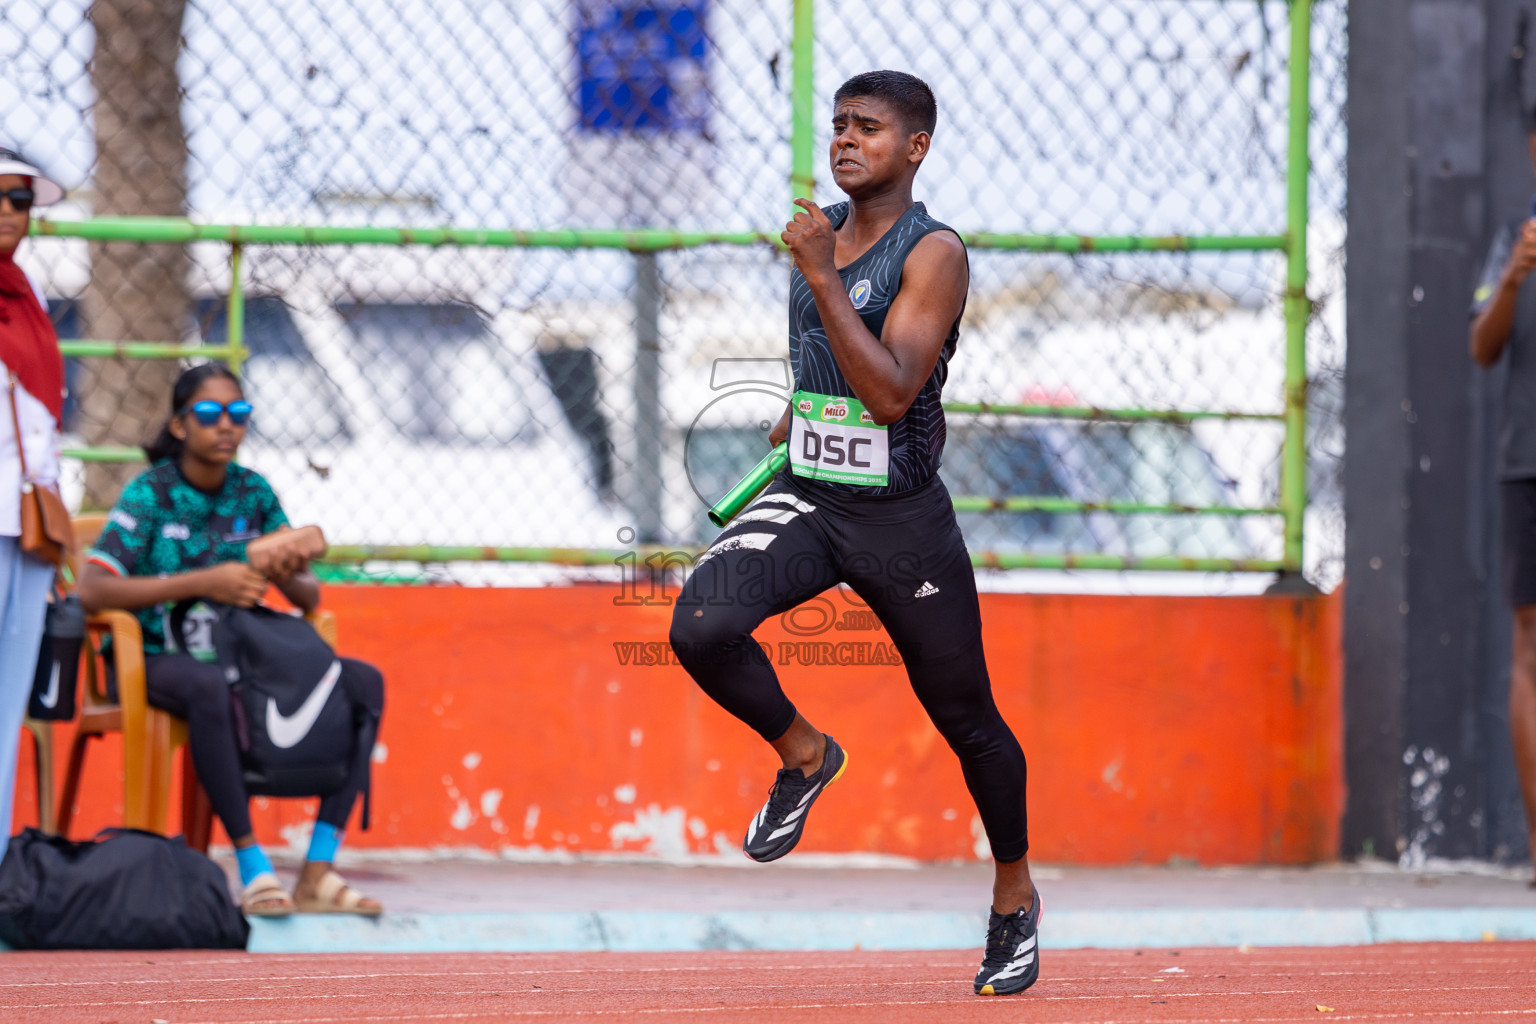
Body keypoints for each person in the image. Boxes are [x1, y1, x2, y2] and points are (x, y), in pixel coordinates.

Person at [668, 71, 1038, 995]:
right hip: (810, 494)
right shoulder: (820, 232)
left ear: (915, 148)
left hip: (900, 522)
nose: (845, 140)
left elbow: (892, 389)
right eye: (839, 125)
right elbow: (833, 362)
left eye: (868, 128)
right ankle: (804, 752)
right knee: (698, 627)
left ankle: (1013, 892)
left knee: (967, 721)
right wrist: (804, 406)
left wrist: (821, 275)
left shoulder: (934, 253)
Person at [77, 363, 385, 916]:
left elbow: (310, 598)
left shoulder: (253, 491)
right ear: (178, 425)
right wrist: (205, 581)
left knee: (362, 682)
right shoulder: (152, 494)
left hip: (242, 655)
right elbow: (92, 588)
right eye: (209, 413)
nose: (226, 426)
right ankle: (251, 864)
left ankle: (317, 869)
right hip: (153, 657)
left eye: (238, 414)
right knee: (208, 685)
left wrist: (286, 565)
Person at [1470, 136, 1536, 883]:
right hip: (1527, 464)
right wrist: (1514, 278)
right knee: (1529, 646)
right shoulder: (1508, 241)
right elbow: (1481, 345)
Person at [0, 147, 66, 861]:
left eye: (22, 200)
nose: (10, 212)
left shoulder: (29, 294)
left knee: (7, 706)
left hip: (27, 525)